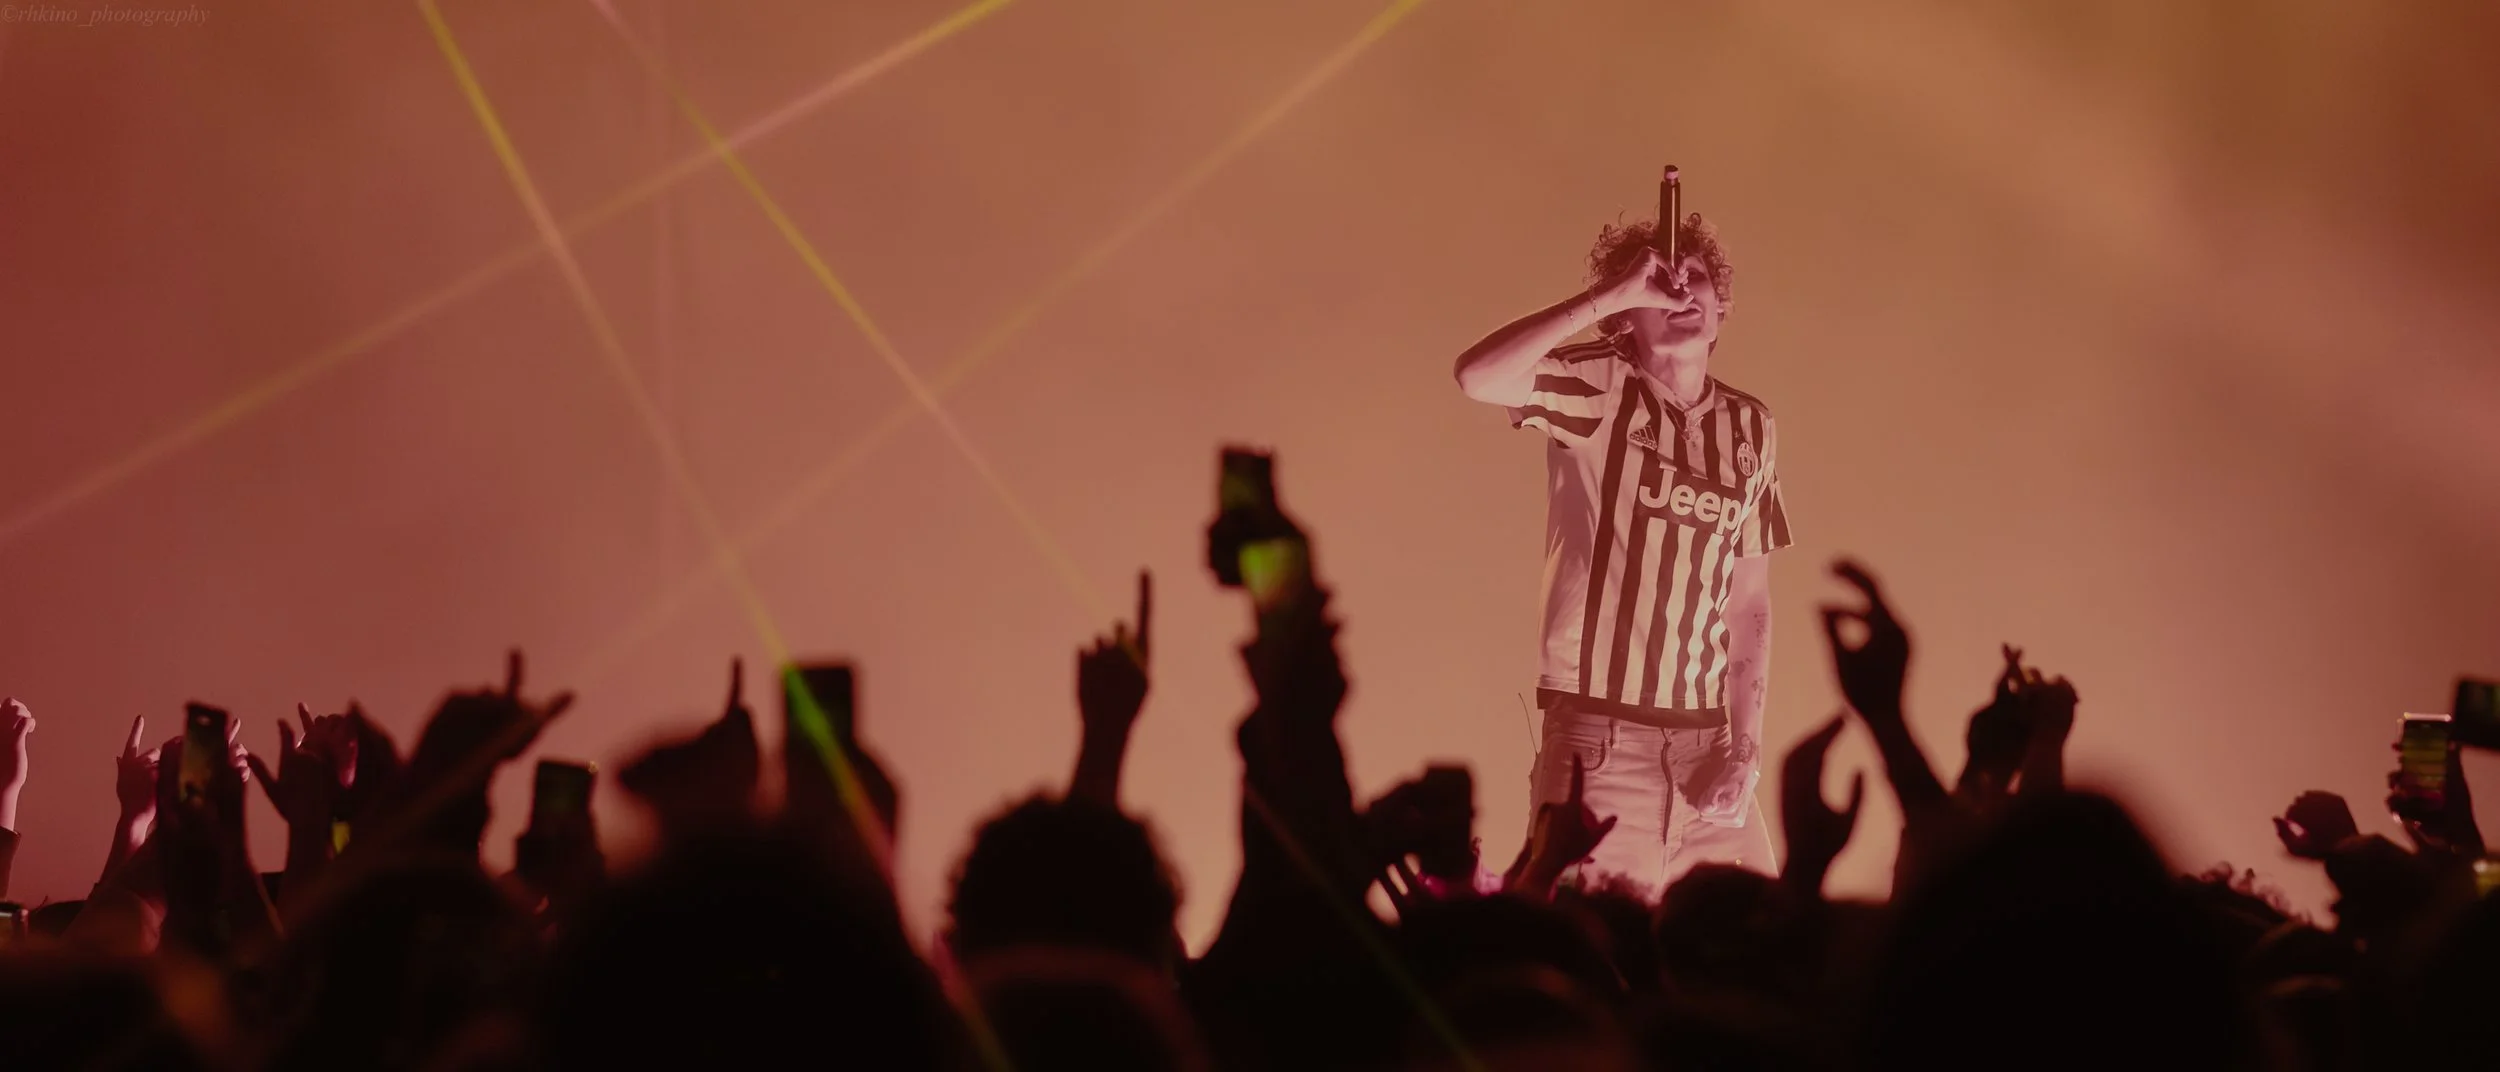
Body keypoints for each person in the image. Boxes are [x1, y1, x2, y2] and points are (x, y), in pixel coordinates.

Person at [1453, 203, 1792, 898]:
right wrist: (1607, 295)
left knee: (1766, 957)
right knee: (1596, 964)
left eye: (1694, 277)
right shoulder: (1599, 388)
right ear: (1626, 316)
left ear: (1722, 307)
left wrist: (1746, 750)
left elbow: (1750, 602)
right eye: (1658, 282)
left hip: (1708, 751)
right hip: (1600, 745)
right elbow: (1476, 377)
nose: (1679, 291)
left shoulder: (1751, 427)